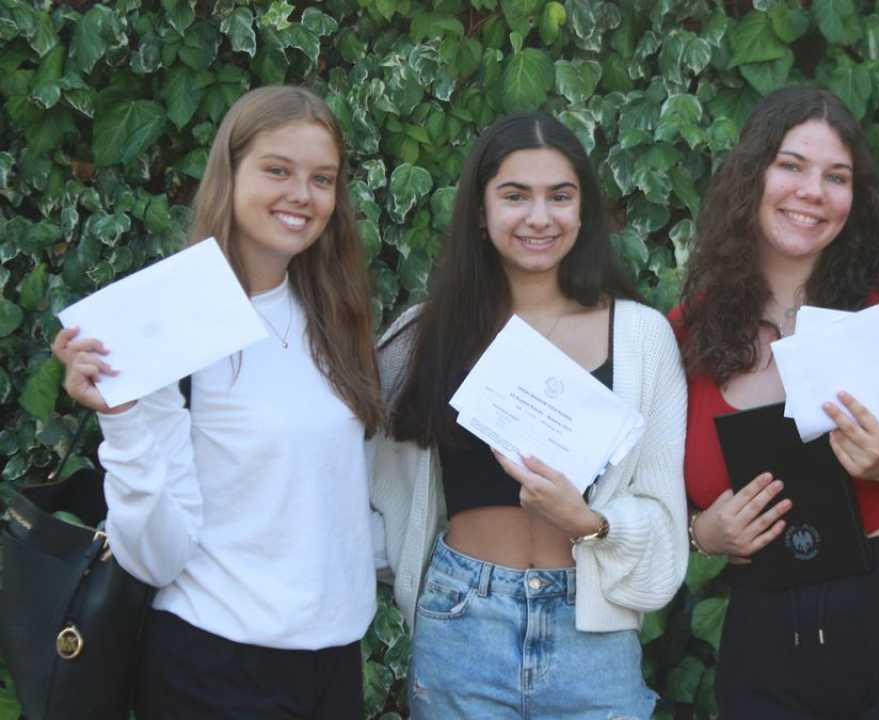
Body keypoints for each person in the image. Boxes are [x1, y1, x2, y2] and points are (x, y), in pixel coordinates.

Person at [673, 86, 879, 718]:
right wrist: (704, 532)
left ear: (855, 201)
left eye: (836, 176)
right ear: (753, 176)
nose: (812, 192)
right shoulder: (686, 332)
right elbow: (653, 494)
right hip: (768, 628)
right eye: (791, 166)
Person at [50, 86, 383, 718]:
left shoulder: (337, 318)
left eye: (322, 179)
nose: (301, 196)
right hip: (215, 667)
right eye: (277, 170)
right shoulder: (166, 324)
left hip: (334, 663)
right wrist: (121, 422)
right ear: (229, 174)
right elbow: (154, 556)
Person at [368, 111, 687, 719]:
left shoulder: (642, 339)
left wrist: (591, 522)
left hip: (592, 633)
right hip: (462, 620)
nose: (539, 217)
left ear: (583, 212)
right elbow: (371, 483)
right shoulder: (422, 337)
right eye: (515, 196)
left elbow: (665, 515)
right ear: (481, 215)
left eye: (560, 197)